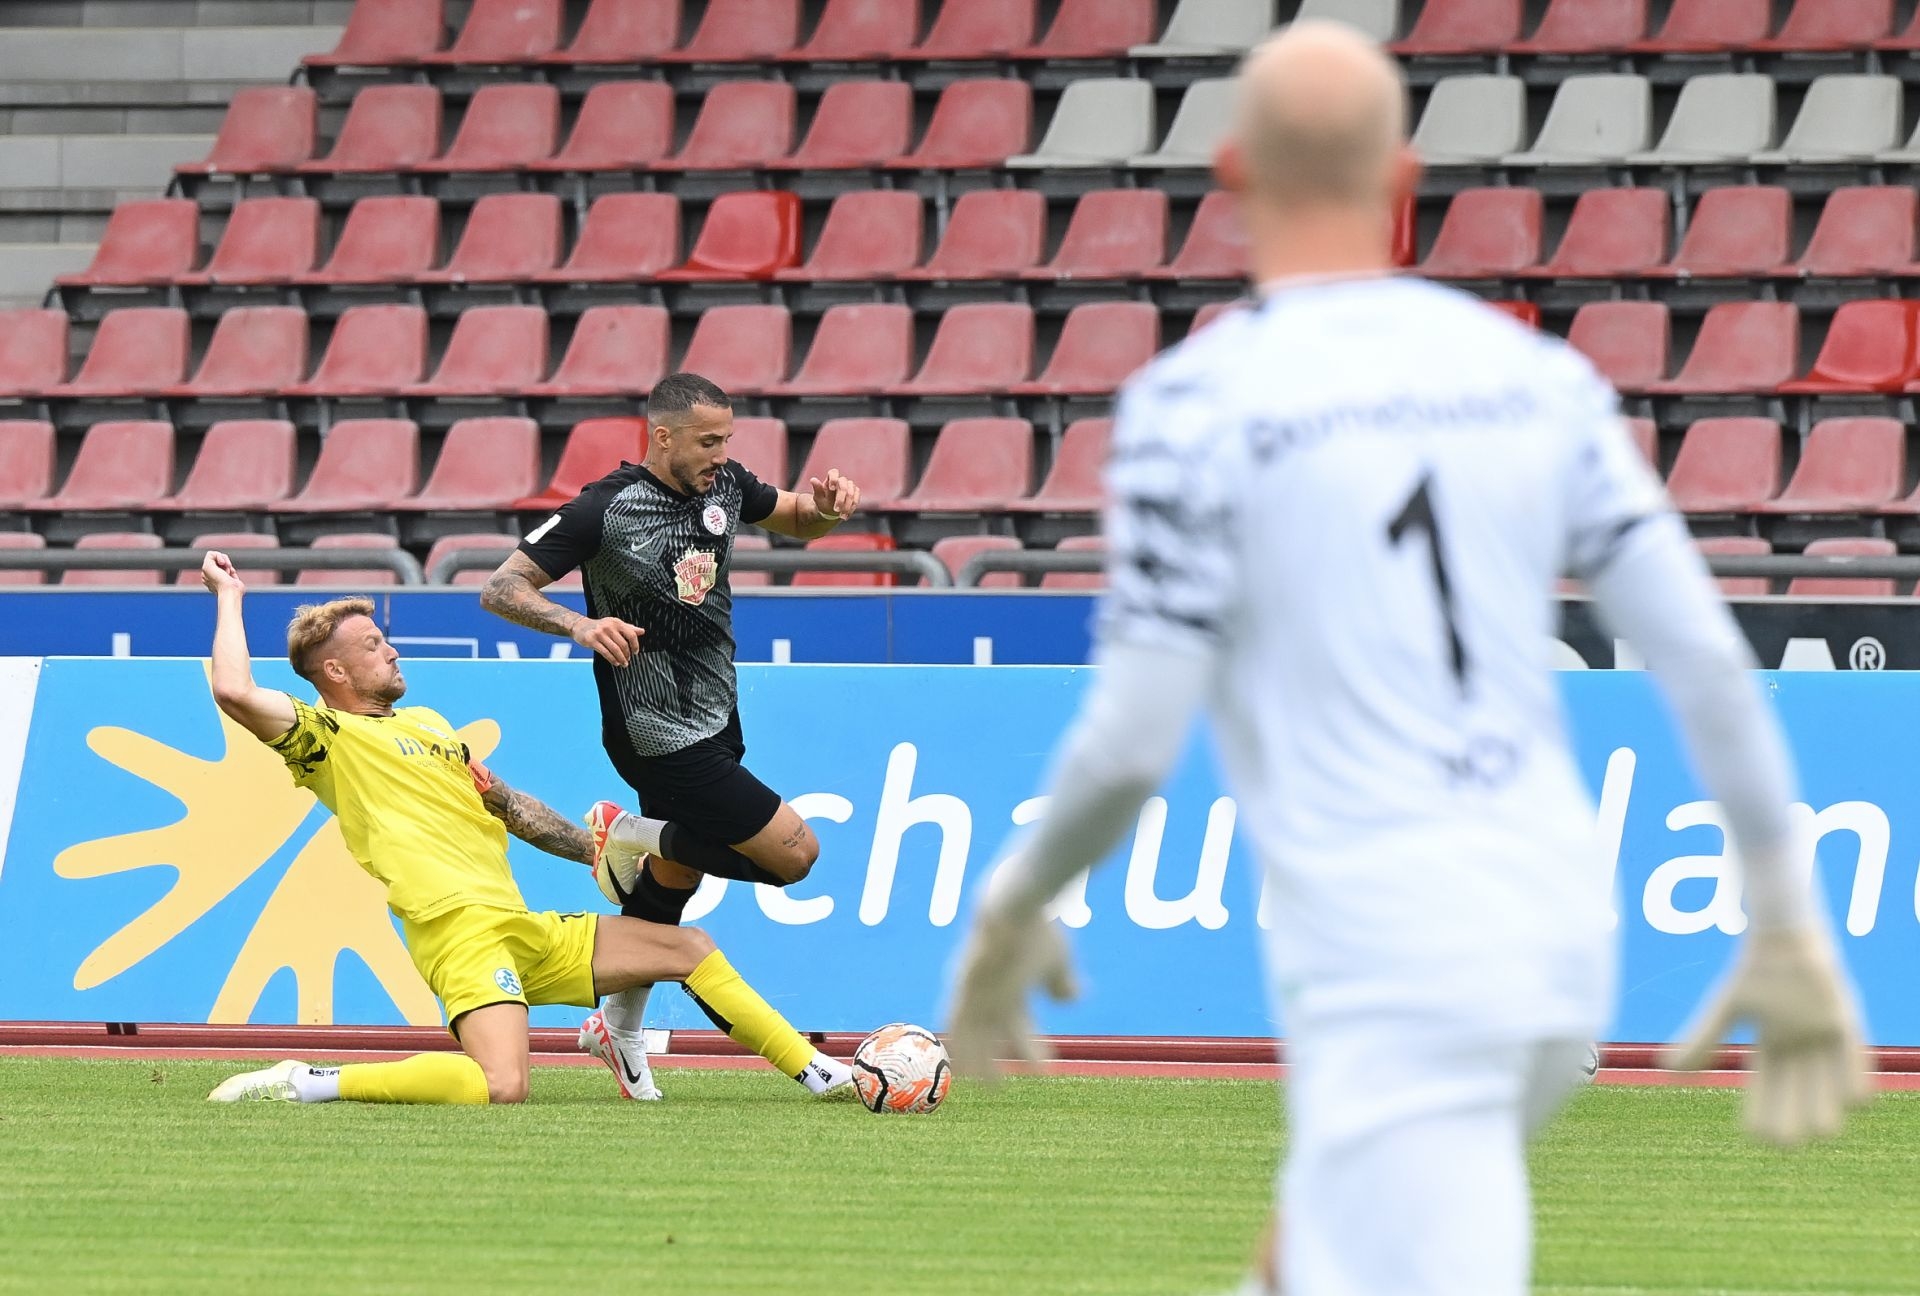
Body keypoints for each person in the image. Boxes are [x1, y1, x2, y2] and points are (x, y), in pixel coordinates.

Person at [943, 21, 1871, 1296]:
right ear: (1404, 181)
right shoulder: (1534, 377)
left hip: (1396, 955)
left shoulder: (1195, 405)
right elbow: (1706, 659)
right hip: (1556, 929)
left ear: (1229, 173)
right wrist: (1786, 916)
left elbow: (1132, 742)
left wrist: (1014, 901)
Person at [197, 551, 849, 1106]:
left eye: (383, 638)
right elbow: (234, 690)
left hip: (520, 927)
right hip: (459, 934)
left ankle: (823, 1075)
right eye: (372, 645)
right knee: (502, 1085)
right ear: (334, 672)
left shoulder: (428, 725)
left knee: (689, 948)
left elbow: (511, 808)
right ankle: (308, 1081)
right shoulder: (326, 737)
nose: (391, 649)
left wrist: (600, 849)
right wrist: (229, 596)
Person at [481, 372, 863, 1101]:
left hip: (716, 715)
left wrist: (824, 509)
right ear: (663, 437)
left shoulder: (726, 486)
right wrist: (580, 625)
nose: (723, 453)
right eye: (709, 441)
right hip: (654, 729)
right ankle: (627, 833)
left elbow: (794, 517)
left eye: (728, 439)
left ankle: (616, 1030)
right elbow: (501, 588)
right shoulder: (602, 508)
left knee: (672, 883)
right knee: (795, 857)